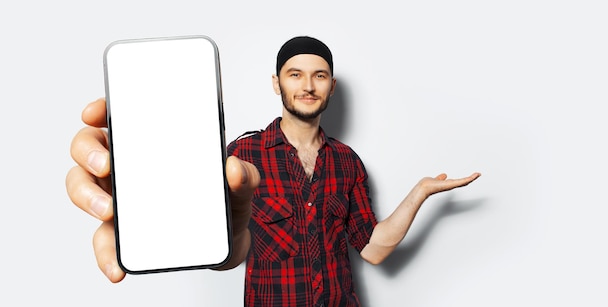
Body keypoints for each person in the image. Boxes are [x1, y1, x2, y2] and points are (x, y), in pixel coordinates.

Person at [66, 36, 481, 307]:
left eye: (319, 76)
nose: (307, 85)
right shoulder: (241, 154)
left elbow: (373, 250)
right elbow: (218, 242)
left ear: (331, 87)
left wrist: (421, 192)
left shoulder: (347, 161)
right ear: (276, 83)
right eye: (295, 74)